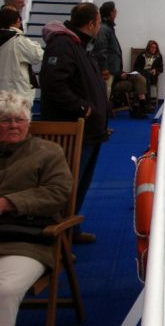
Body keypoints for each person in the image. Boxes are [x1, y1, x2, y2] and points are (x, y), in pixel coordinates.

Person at [39, 3, 109, 244]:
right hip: (73, 130)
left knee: (79, 185)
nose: (99, 27)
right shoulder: (64, 44)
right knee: (67, 185)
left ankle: (70, 231)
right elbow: (53, 83)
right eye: (99, 23)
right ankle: (56, 238)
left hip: (89, 130)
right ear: (91, 24)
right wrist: (82, 107)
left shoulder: (79, 45)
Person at [0, 90, 72, 325]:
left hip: (25, 241)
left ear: (28, 123)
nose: (13, 125)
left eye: (19, 120)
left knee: (5, 290)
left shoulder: (48, 153)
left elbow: (57, 192)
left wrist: (8, 203)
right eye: (5, 120)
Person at [94, 1, 151, 118]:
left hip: (116, 73)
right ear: (111, 13)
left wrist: (120, 73)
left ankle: (140, 107)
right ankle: (101, 118)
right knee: (105, 94)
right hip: (108, 73)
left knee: (139, 78)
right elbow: (101, 50)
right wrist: (104, 68)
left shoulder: (108, 28)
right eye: (115, 10)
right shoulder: (104, 29)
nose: (117, 12)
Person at [0, 7, 43, 102]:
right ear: (15, 22)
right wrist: (35, 43)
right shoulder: (18, 40)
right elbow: (37, 56)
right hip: (17, 93)